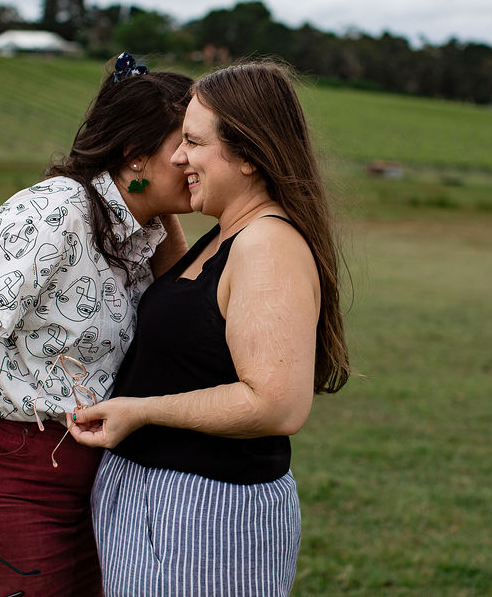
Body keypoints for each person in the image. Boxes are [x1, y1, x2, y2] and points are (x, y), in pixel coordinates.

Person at [0, 54, 195, 597]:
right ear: (134, 152)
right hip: (1, 478)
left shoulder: (142, 229)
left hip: (89, 483)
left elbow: (184, 305)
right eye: (186, 143)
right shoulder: (57, 211)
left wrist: (162, 200)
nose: (195, 158)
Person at [66, 60, 351, 596]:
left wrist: (141, 410)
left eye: (194, 142)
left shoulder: (266, 245)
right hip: (160, 505)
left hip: (206, 516)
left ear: (247, 155)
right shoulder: (223, 234)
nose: (178, 156)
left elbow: (276, 405)